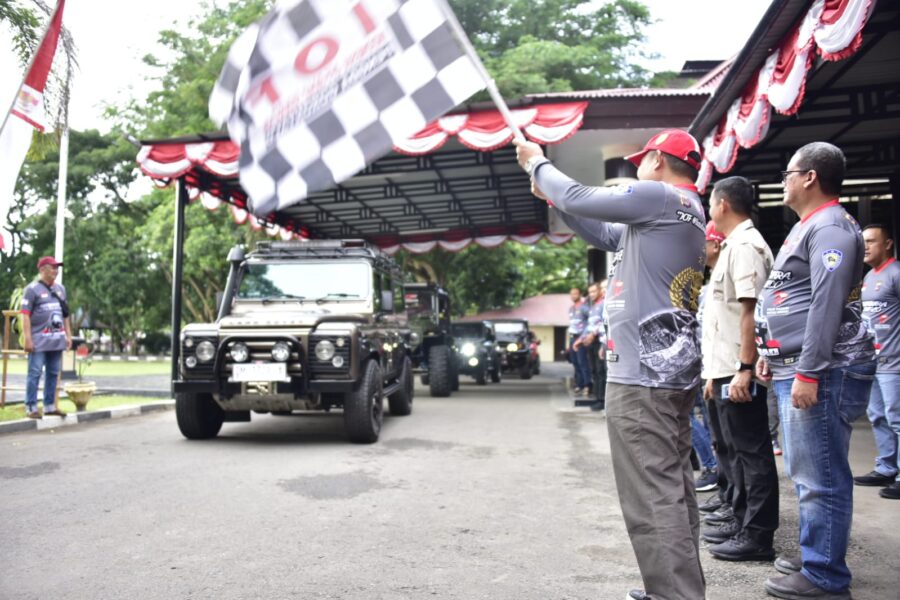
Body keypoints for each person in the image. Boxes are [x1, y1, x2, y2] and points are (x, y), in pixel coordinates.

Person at [516, 129, 706, 600]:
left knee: (651, 494)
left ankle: (673, 595)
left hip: (643, 375)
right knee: (672, 486)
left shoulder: (658, 196)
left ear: (659, 160)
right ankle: (677, 588)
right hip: (662, 370)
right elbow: (598, 228)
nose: (636, 167)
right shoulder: (677, 211)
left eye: (642, 160)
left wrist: (537, 163)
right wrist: (555, 199)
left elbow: (580, 194)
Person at [755, 142, 875, 600]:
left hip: (824, 371)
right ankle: (815, 554)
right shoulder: (811, 226)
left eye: (787, 173)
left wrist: (808, 370)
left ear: (809, 177)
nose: (782, 181)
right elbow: (793, 297)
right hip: (800, 366)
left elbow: (826, 303)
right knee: (808, 472)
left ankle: (826, 575)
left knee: (820, 474)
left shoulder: (830, 227)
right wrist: (775, 349)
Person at [700, 176, 779, 562]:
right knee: (732, 449)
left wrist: (744, 369)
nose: (709, 210)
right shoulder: (733, 246)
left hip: (740, 368)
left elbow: (751, 314)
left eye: (711, 203)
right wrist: (715, 375)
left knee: (753, 453)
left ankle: (758, 535)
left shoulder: (746, 246)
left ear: (723, 204)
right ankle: (740, 518)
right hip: (726, 368)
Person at [856, 224, 900, 499]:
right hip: (874, 360)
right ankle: (886, 467)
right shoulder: (870, 277)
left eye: (872, 241)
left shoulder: (895, 274)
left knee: (897, 418)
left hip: (895, 363)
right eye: (864, 243)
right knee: (878, 416)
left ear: (888, 244)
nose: (866, 247)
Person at [21, 256, 73, 419]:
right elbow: (25, 315)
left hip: (56, 341)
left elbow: (65, 315)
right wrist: (28, 339)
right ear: (42, 270)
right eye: (53, 268)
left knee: (53, 373)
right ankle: (31, 407)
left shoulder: (60, 289)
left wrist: (68, 335)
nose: (56, 271)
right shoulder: (32, 290)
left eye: (57, 268)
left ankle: (50, 406)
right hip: (38, 341)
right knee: (35, 372)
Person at [575, 280, 607, 411]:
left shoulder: (604, 304)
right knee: (594, 369)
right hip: (591, 341)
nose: (592, 294)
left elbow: (603, 322)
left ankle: (602, 400)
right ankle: (597, 397)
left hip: (601, 340)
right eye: (590, 292)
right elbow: (589, 325)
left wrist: (593, 334)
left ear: (600, 291)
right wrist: (580, 339)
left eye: (594, 291)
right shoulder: (593, 307)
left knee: (601, 371)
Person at [567, 287, 592, 396]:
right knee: (575, 362)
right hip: (572, 338)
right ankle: (580, 384)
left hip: (581, 338)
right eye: (571, 294)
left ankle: (587, 385)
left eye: (575, 294)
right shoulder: (571, 309)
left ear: (580, 294)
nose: (573, 296)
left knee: (582, 362)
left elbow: (590, 322)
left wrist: (583, 337)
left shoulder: (585, 308)